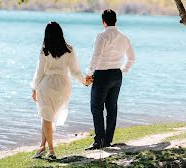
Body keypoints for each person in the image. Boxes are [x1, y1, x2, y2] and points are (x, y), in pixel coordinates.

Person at [30, 21, 89, 161]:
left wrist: (34, 88)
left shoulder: (44, 50)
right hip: (64, 85)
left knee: (46, 115)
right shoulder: (69, 49)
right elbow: (75, 71)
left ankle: (51, 150)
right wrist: (84, 81)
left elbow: (39, 73)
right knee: (48, 116)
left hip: (47, 84)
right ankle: (42, 146)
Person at [85, 9, 135, 151]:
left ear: (103, 22)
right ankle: (107, 140)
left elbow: (96, 56)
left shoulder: (101, 36)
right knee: (112, 108)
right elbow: (132, 58)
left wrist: (88, 73)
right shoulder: (124, 37)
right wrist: (123, 71)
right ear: (116, 21)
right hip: (116, 75)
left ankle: (99, 141)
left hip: (102, 75)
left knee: (96, 107)